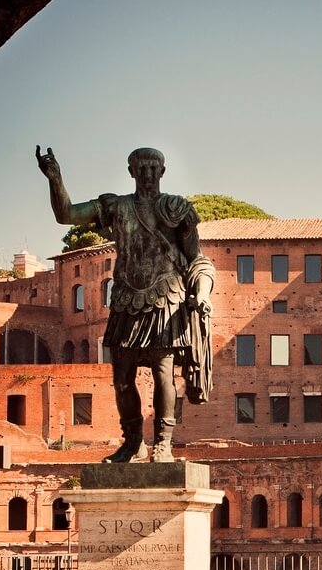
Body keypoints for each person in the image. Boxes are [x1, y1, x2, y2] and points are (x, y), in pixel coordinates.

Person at [36, 146, 214, 463]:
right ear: (131, 171)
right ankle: (133, 442)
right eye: (141, 168)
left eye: (153, 167)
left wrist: (202, 292)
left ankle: (163, 443)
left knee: (163, 373)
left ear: (162, 171)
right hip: (126, 300)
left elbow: (196, 258)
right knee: (121, 378)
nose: (147, 173)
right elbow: (67, 215)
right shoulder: (116, 207)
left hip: (166, 299)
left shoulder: (176, 209)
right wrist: (55, 179)